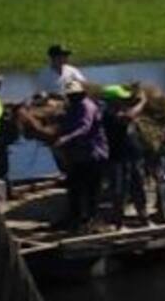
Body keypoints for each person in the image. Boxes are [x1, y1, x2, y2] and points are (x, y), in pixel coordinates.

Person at [51, 76, 108, 231]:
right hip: (78, 155)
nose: (70, 97)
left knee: (92, 189)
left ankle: (91, 220)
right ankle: (74, 218)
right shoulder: (72, 107)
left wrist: (65, 139)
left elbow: (84, 127)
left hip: (93, 154)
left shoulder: (86, 106)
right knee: (74, 187)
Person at [101, 84, 148, 226]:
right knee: (119, 190)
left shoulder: (118, 110)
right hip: (118, 157)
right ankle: (118, 223)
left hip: (132, 155)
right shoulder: (109, 114)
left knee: (138, 186)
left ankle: (143, 217)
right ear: (112, 100)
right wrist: (142, 102)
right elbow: (129, 116)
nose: (123, 101)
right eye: (120, 99)